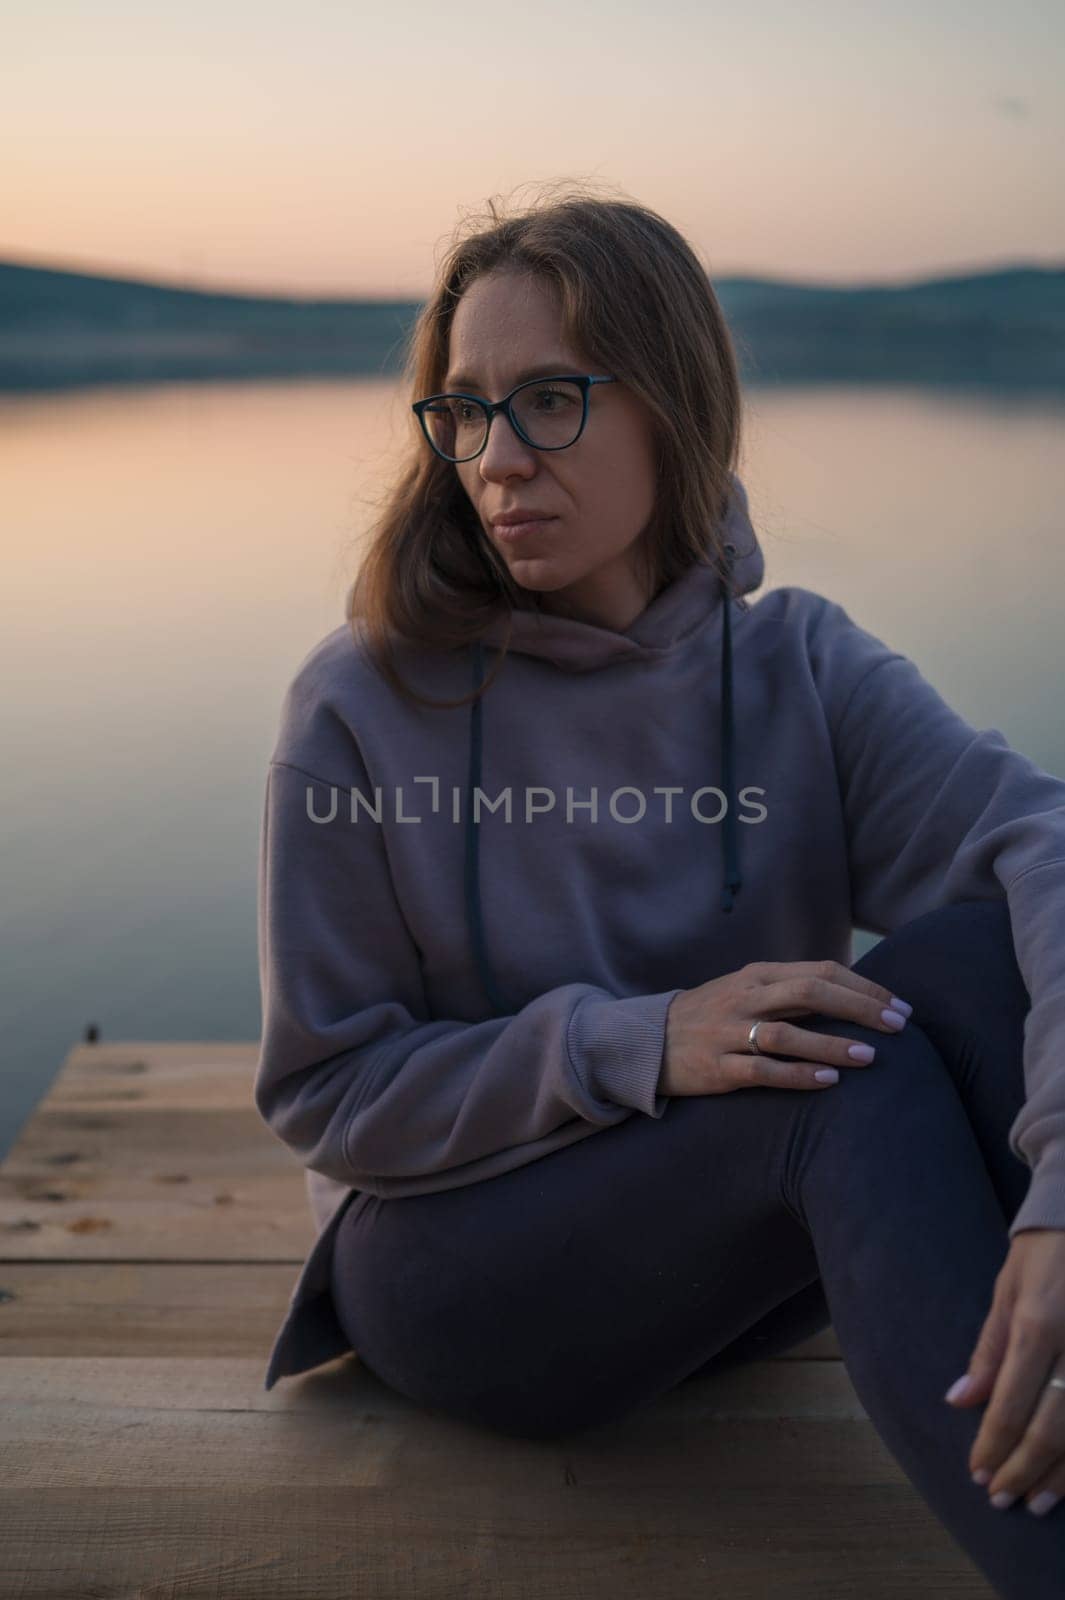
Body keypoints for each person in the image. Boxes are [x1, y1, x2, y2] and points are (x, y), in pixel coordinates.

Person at [253, 188, 1065, 1596]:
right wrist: (634, 1039)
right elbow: (327, 1095)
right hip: (458, 1269)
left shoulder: (798, 667)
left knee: (975, 964)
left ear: (672, 402)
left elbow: (1043, 849)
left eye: (550, 400)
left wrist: (1058, 1197)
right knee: (852, 1079)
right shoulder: (362, 701)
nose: (496, 460)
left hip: (730, 1266)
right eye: (461, 412)